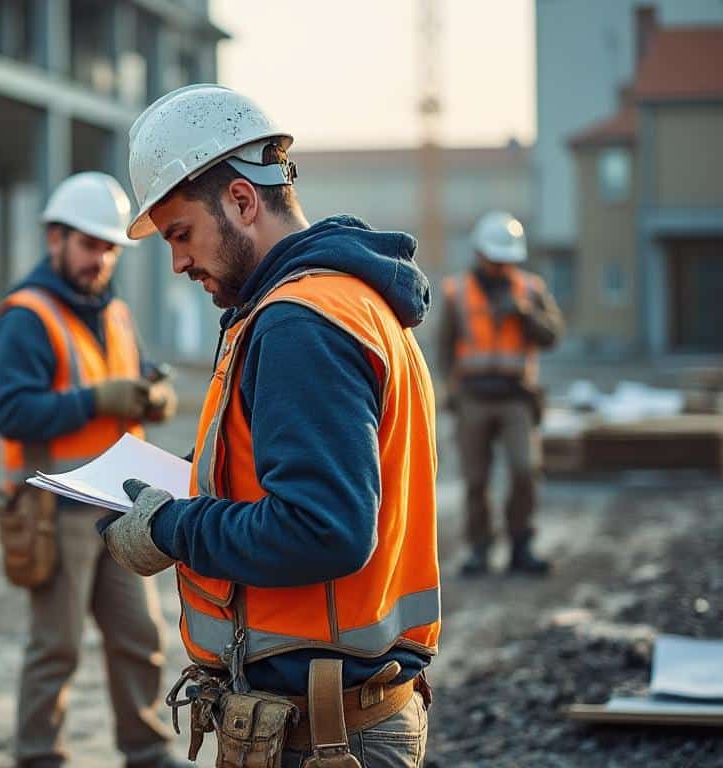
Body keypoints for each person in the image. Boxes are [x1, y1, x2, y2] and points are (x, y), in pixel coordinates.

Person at [97, 84, 439, 767]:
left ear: (243, 202)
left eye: (181, 234)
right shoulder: (333, 303)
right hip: (334, 718)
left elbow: (324, 528)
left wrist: (172, 529)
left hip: (325, 739)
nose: (178, 262)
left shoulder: (299, 323)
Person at [0, 172, 183, 768]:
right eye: (90, 244)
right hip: (53, 510)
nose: (101, 258)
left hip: (119, 508)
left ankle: (146, 750)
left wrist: (155, 393)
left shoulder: (115, 312)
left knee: (140, 638)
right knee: (57, 646)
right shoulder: (26, 317)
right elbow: (13, 412)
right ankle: (39, 755)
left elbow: (140, 373)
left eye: (110, 248)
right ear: (55, 240)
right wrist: (100, 400)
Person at [440, 211, 563, 578]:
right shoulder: (456, 291)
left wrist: (526, 315)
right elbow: (445, 347)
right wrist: (452, 391)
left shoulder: (530, 289)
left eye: (506, 259)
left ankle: (521, 545)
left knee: (525, 470)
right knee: (476, 479)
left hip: (516, 397)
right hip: (473, 397)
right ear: (479, 253)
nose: (500, 266)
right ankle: (479, 548)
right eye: (495, 258)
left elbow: (553, 335)